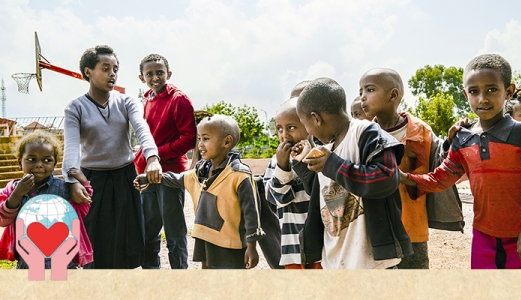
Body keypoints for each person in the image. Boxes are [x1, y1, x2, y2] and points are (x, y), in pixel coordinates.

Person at [399, 54, 521, 269]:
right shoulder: (463, 139)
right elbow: (440, 179)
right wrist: (402, 177)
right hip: (483, 238)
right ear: (466, 94)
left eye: (492, 89)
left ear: (508, 92)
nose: (482, 98)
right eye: (474, 91)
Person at [290, 77, 413, 269]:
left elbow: (387, 177)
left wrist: (332, 164)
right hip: (336, 261)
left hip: (371, 263)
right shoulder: (327, 149)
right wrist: (305, 164)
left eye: (306, 126)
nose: (308, 132)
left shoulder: (366, 133)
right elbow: (321, 192)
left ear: (316, 118)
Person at [63, 45, 162, 269]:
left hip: (125, 178)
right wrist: (71, 182)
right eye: (105, 68)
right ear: (88, 72)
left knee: (129, 242)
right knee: (95, 244)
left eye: (115, 68)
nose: (112, 73)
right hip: (92, 181)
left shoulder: (126, 102)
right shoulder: (75, 108)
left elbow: (142, 130)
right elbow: (70, 148)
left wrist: (153, 158)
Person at [358, 68, 463, 269]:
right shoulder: (362, 134)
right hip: (373, 229)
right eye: (360, 91)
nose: (362, 97)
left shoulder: (421, 131)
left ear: (393, 94)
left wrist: (450, 142)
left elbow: (440, 164)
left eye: (369, 89)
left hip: (412, 227)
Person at [136, 115, 264, 269]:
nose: (200, 145)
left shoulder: (239, 175)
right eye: (198, 139)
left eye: (206, 138)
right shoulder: (200, 172)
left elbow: (251, 213)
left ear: (227, 142)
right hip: (206, 240)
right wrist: (148, 178)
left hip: (231, 246)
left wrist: (251, 246)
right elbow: (176, 178)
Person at [134, 53, 196, 269]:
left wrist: (156, 155)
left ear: (168, 74)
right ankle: (153, 276)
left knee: (174, 232)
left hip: (169, 175)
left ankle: (179, 278)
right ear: (142, 78)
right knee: (148, 231)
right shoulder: (148, 99)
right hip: (147, 175)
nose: (155, 77)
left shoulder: (179, 99)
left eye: (159, 72)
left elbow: (189, 139)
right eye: (149, 74)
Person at [0, 131, 93, 269]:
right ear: (20, 163)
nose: (39, 165)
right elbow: (3, 220)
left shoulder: (63, 188)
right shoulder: (12, 188)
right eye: (31, 159)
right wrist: (17, 194)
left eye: (47, 160)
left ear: (54, 164)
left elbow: (82, 210)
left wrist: (83, 182)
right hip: (27, 262)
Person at [263, 97, 321, 269]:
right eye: (279, 129)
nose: (284, 135)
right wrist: (282, 166)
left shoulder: (320, 155)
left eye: (291, 127)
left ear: (310, 126)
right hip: (292, 246)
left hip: (321, 244)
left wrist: (303, 161)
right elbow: (276, 199)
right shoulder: (276, 161)